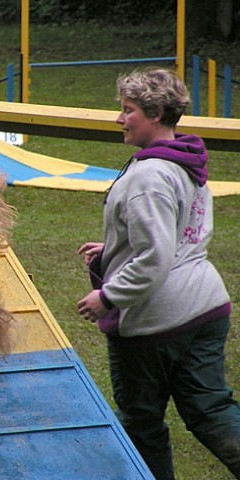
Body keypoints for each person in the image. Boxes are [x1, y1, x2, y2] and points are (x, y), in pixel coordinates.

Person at [76, 68, 240, 480]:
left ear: (158, 113)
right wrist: (113, 247)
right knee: (212, 410)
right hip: (206, 306)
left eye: (128, 110)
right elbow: (180, 230)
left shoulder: (149, 175)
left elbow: (154, 257)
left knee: (140, 423)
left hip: (157, 319)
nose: (119, 118)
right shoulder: (187, 160)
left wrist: (108, 297)